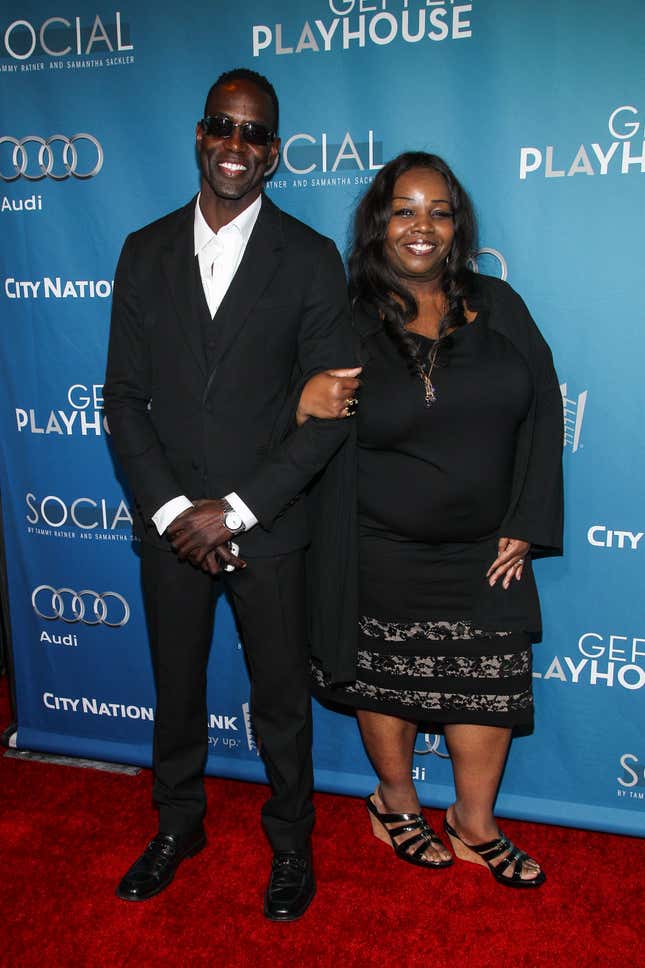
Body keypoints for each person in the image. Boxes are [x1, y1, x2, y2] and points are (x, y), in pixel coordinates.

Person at [103, 67, 359, 920]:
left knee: (280, 704)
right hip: (171, 526)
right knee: (174, 688)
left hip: (270, 525)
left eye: (254, 133)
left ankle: (290, 846)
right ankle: (179, 823)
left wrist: (238, 509)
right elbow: (123, 400)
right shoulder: (143, 251)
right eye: (223, 125)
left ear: (274, 153)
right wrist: (177, 513)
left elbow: (328, 414)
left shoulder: (312, 259)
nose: (235, 146)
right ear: (200, 134)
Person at [300, 152, 563, 887]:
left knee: (488, 682)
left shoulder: (498, 304)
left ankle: (474, 826)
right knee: (382, 682)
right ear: (378, 222)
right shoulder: (341, 317)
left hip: (485, 549)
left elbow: (543, 408)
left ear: (457, 225)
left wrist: (526, 517)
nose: (422, 225)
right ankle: (395, 804)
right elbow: (299, 412)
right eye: (404, 209)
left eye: (438, 210)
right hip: (374, 545)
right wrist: (298, 404)